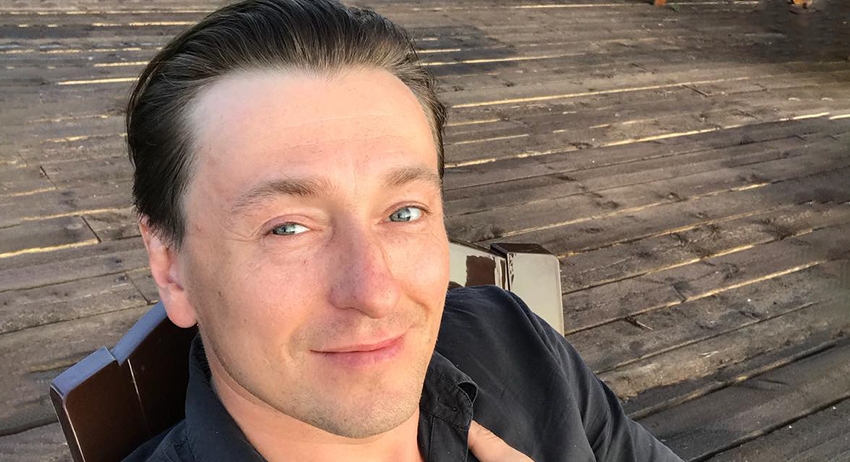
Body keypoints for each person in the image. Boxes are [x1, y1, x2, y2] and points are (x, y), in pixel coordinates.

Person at [124, 1, 684, 461]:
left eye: (404, 213)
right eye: (288, 228)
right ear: (171, 267)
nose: (375, 293)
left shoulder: (514, 340)